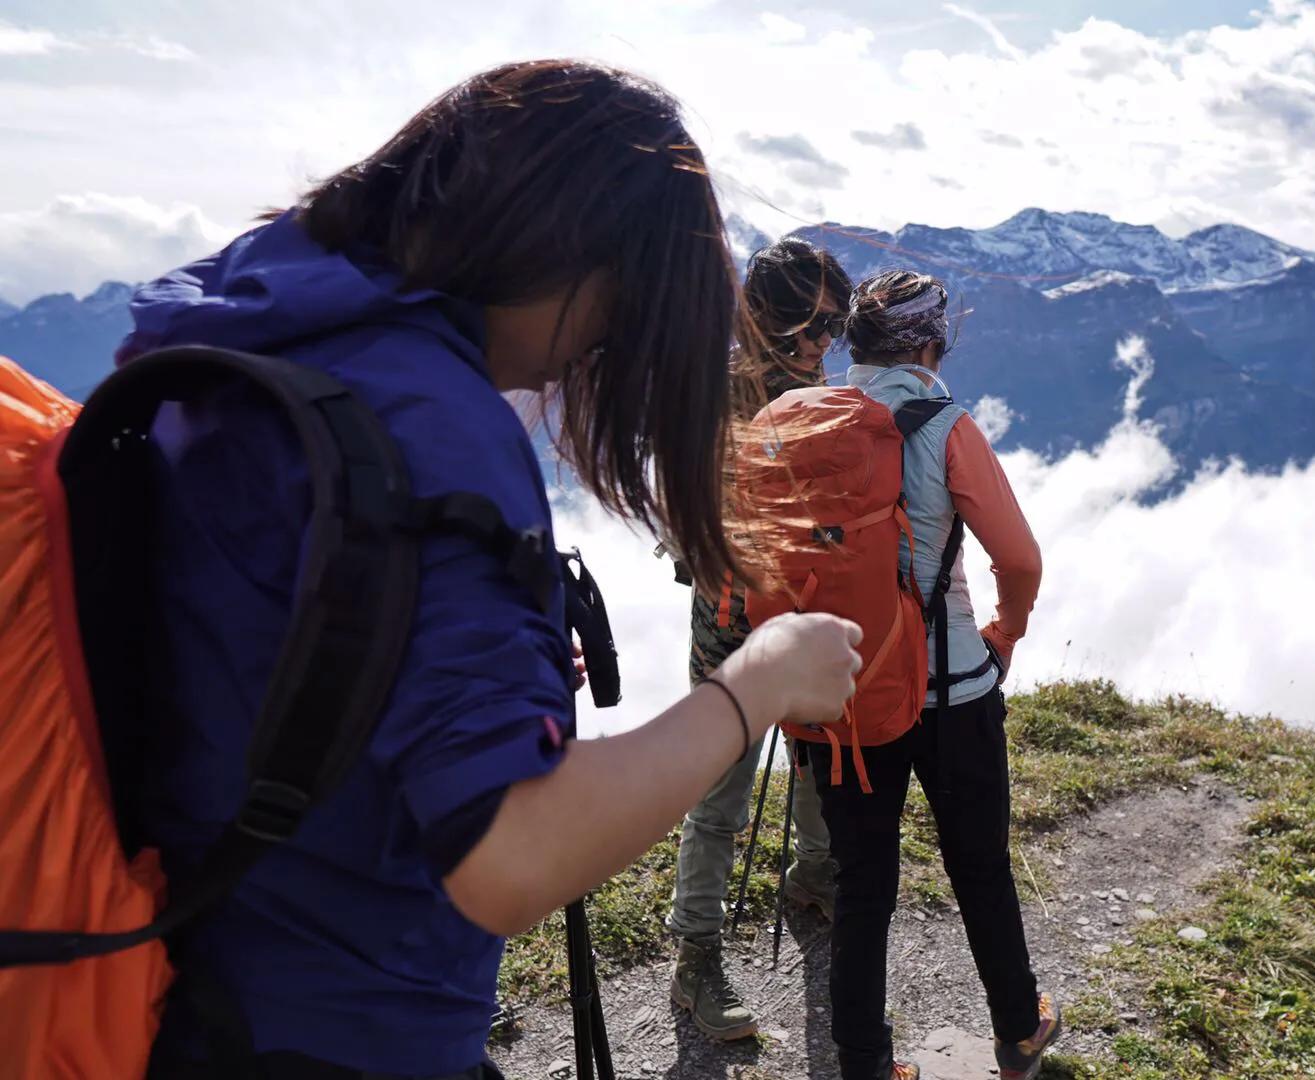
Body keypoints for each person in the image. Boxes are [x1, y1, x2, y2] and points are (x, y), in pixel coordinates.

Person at [122, 60, 862, 1080]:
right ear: (568, 249)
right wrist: (761, 682)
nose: (602, 349)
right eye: (627, 299)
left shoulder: (259, 315)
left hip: (194, 979)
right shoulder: (435, 422)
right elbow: (506, 857)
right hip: (354, 1025)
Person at [801, 271, 1061, 1080]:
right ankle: (1019, 1031)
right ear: (928, 343)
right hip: (952, 690)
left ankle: (865, 1063)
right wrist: (1004, 633)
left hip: (846, 689)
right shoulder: (946, 426)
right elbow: (1016, 558)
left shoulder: (805, 425)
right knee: (978, 863)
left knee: (862, 881)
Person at [668, 238, 851, 1040]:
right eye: (812, 329)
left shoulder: (809, 382)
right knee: (722, 789)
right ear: (768, 319)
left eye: (835, 329)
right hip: (733, 617)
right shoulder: (724, 391)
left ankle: (813, 876)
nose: (823, 347)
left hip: (802, 603)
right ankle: (695, 958)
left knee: (816, 755)